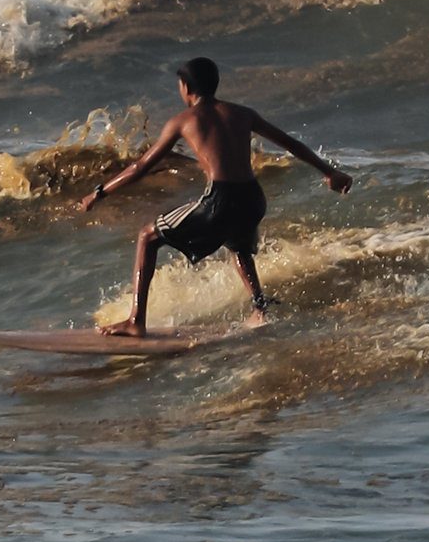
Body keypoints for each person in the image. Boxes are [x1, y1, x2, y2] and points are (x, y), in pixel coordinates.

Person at [81, 57, 352, 336]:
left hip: (221, 198)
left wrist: (99, 192)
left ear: (186, 87)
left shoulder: (182, 121)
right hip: (252, 197)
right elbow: (290, 143)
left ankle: (135, 321)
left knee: (147, 237)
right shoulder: (243, 113)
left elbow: (140, 167)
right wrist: (329, 172)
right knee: (238, 245)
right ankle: (260, 310)